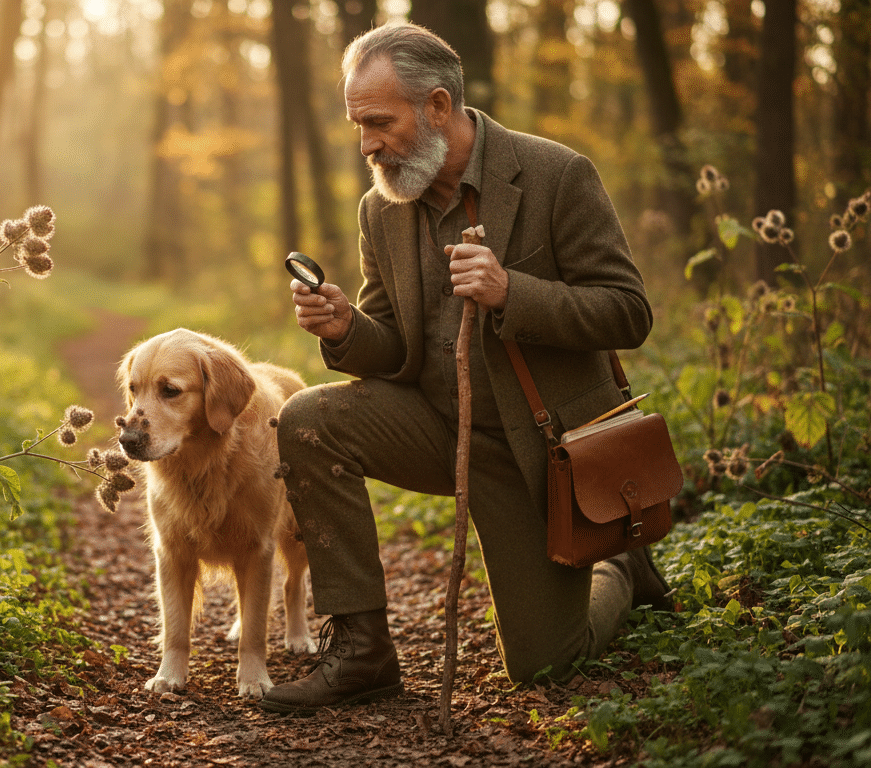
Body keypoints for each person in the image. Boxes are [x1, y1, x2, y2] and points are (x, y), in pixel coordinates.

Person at [259, 22, 671, 715]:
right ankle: (363, 652)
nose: (367, 145)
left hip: (537, 449)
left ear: (439, 108)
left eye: (380, 123)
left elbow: (628, 312)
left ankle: (618, 568)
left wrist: (515, 292)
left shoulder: (555, 175)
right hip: (436, 427)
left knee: (545, 664)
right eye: (358, 125)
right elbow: (391, 346)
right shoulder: (379, 209)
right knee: (306, 418)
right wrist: (345, 328)